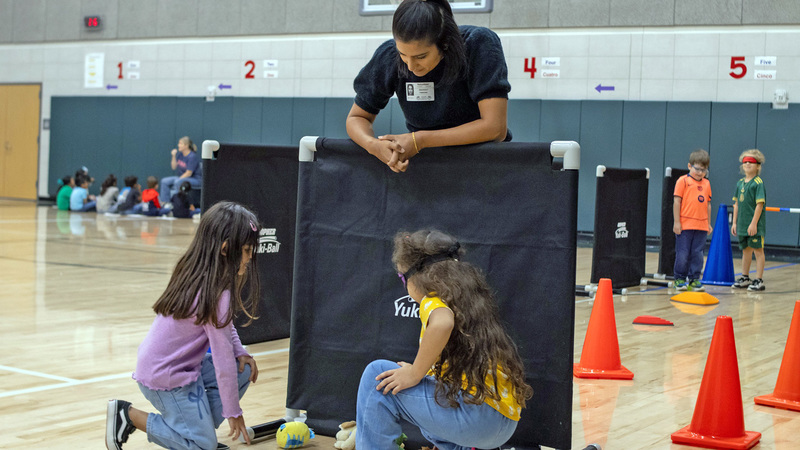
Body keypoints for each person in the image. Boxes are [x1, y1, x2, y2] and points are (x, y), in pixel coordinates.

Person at [105, 201, 262, 450]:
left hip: (181, 368)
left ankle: (195, 435)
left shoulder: (203, 275)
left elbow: (225, 326)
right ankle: (130, 416)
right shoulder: (214, 293)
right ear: (224, 249)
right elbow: (221, 361)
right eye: (245, 249)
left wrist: (241, 352)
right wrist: (233, 411)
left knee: (242, 369)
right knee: (202, 446)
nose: (250, 256)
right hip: (166, 377)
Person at [357, 230, 533, 449]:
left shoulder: (432, 300)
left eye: (403, 277)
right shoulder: (466, 302)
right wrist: (419, 373)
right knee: (429, 389)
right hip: (502, 424)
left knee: (376, 375)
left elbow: (442, 324)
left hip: (478, 418)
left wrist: (414, 374)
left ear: (417, 277)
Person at [346, 0, 511, 173]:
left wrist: (420, 140)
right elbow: (356, 118)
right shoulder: (388, 55)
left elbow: (494, 128)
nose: (410, 66)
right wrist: (373, 146)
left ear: (445, 43)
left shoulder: (478, 43)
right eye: (403, 54)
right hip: (426, 171)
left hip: (484, 167)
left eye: (421, 56)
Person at [672, 149, 713, 291]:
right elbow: (677, 202)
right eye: (697, 169)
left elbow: (708, 204)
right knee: (683, 253)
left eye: (704, 170)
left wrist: (708, 223)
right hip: (685, 225)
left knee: (698, 254)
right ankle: (679, 279)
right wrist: (677, 222)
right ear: (689, 166)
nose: (700, 172)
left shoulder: (707, 184)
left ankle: (694, 279)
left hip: (701, 225)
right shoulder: (682, 181)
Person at [731, 149, 767, 291]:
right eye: (745, 161)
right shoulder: (740, 183)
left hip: (755, 226)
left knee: (758, 251)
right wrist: (734, 222)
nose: (747, 164)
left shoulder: (758, 183)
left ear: (758, 165)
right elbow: (736, 205)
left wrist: (753, 224)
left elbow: (759, 205)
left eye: (751, 162)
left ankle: (759, 279)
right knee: (745, 251)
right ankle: (745, 277)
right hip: (742, 225)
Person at [160, 136, 202, 203]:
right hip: (182, 177)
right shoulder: (180, 154)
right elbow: (173, 167)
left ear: (186, 145)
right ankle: (166, 203)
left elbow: (189, 173)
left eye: (180, 143)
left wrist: (178, 180)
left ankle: (177, 204)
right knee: (164, 181)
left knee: (178, 182)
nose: (178, 145)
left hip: (195, 179)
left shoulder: (192, 156)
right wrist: (173, 156)